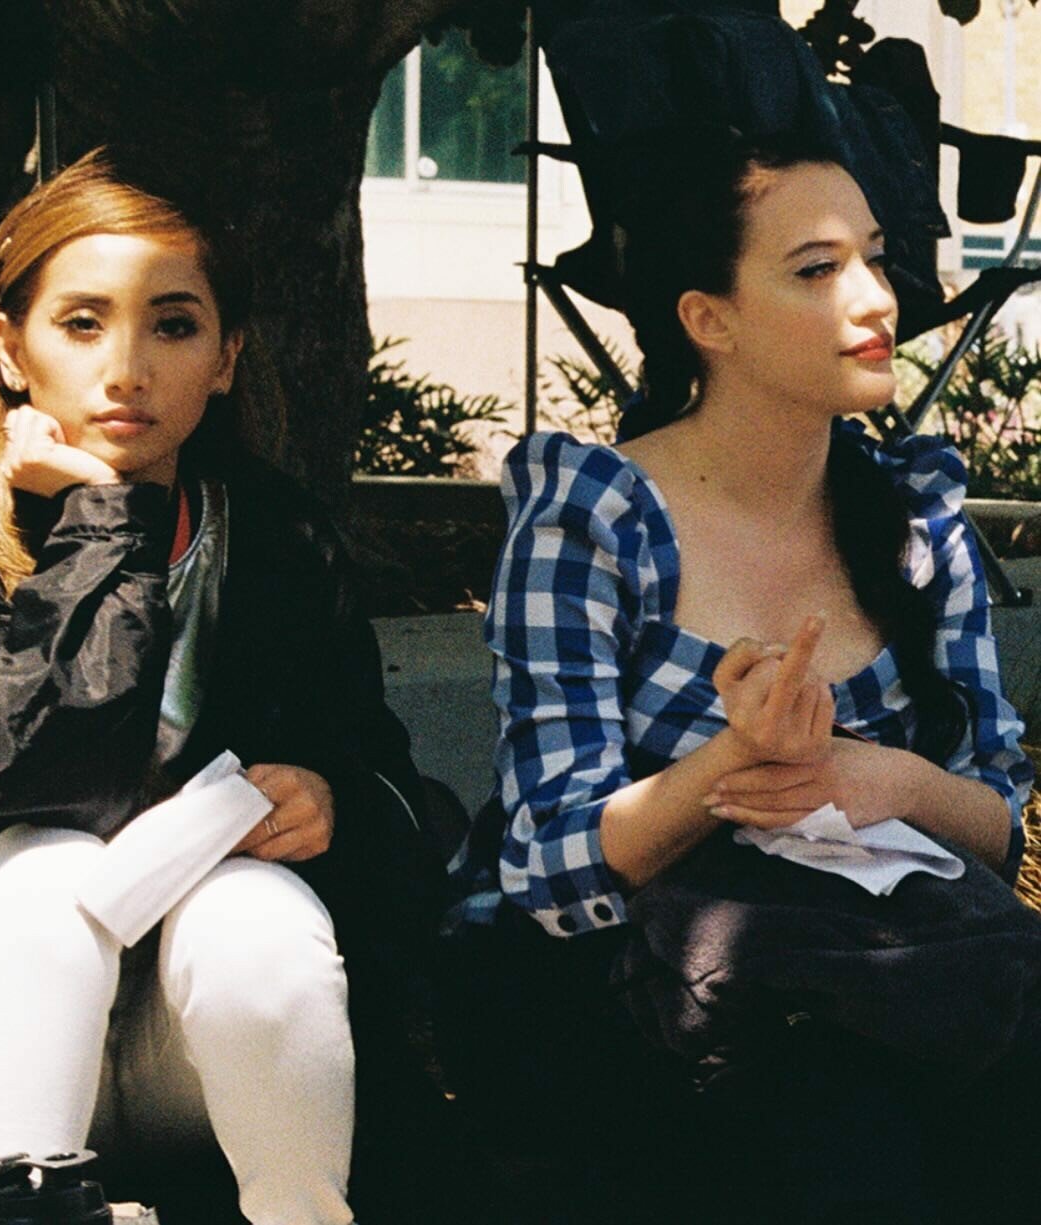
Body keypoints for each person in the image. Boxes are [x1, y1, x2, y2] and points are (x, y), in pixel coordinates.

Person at [0, 147, 444, 1225]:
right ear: (8, 349)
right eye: (81, 323)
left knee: (255, 917)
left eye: (173, 325)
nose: (127, 368)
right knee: (41, 872)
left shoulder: (277, 538)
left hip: (200, 1054)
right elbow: (21, 774)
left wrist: (331, 800)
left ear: (227, 357)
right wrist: (100, 517)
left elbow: (392, 788)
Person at [439, 131, 1038, 1225]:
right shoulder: (596, 519)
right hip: (636, 1002)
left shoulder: (913, 520)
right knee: (836, 1124)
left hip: (893, 975)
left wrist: (887, 781)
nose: (876, 298)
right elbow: (548, 870)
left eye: (875, 256)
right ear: (706, 319)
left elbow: (999, 821)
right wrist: (732, 766)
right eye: (816, 269)